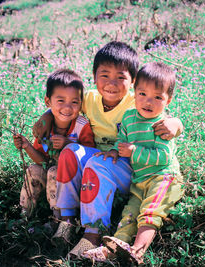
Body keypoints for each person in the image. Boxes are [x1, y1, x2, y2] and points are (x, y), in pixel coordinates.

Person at [33, 42, 184, 257]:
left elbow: (165, 117)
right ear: (94, 77)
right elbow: (67, 105)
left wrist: (176, 124)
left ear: (133, 82)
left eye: (121, 77)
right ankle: (65, 220)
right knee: (71, 151)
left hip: (129, 168)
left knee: (97, 163)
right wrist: (47, 116)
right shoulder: (91, 99)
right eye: (104, 75)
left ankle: (92, 233)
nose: (111, 84)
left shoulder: (138, 101)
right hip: (103, 158)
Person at [82, 62, 184, 264]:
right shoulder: (129, 117)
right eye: (143, 94)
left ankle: (137, 252)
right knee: (129, 214)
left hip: (163, 178)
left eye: (157, 97)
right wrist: (115, 150)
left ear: (168, 100)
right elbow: (123, 139)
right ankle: (112, 248)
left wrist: (134, 151)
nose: (148, 102)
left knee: (150, 212)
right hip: (139, 180)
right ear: (134, 92)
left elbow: (163, 157)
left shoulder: (162, 125)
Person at [13, 69, 95, 218]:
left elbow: (90, 156)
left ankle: (57, 217)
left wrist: (68, 144)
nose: (68, 107)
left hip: (74, 179)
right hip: (50, 173)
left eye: (74, 102)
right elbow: (42, 161)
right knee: (32, 169)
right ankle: (25, 214)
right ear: (48, 102)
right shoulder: (45, 126)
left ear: (81, 104)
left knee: (54, 172)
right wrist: (27, 146)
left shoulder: (82, 126)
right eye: (61, 101)